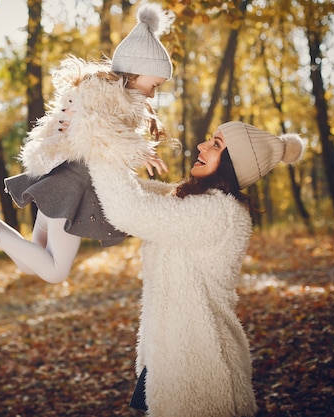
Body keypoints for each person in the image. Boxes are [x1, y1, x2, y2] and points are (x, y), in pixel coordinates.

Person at [0, 3, 174, 284]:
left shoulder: (104, 94)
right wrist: (137, 149)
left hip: (60, 184)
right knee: (56, 271)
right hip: (70, 191)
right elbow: (96, 130)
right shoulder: (106, 96)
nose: (154, 95)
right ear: (135, 72)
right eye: (154, 85)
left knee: (31, 263)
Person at [83, 121, 306, 416]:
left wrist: (99, 144)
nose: (202, 146)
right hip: (170, 358)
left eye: (216, 144)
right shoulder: (189, 200)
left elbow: (128, 210)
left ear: (232, 164)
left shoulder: (219, 212)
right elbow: (123, 192)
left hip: (202, 366)